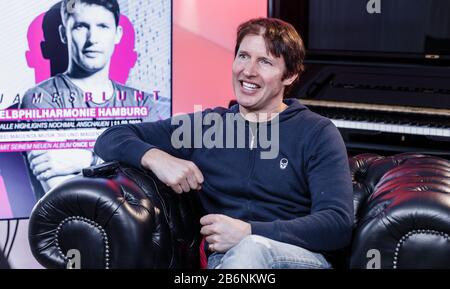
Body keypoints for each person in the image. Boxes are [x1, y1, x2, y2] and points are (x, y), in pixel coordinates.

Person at [94, 17, 353, 269]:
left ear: (290, 76)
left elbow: (337, 225)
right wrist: (156, 157)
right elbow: (110, 138)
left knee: (251, 248)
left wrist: (250, 232)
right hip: (228, 261)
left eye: (264, 61)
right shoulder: (207, 126)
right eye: (243, 56)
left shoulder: (317, 132)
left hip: (298, 258)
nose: (248, 71)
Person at [20, 0, 168, 198]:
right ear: (64, 34)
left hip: (142, 227)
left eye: (102, 26)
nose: (92, 39)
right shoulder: (40, 98)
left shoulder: (143, 103)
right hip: (72, 227)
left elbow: (158, 180)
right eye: (81, 26)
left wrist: (88, 160)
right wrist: (133, 161)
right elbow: (66, 196)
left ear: (117, 34)